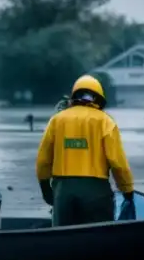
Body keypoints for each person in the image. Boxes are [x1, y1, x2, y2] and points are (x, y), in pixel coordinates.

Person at [35, 75, 134, 226]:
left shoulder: (57, 120)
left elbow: (43, 160)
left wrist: (45, 189)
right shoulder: (105, 121)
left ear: (74, 97)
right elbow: (118, 162)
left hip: (63, 190)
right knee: (99, 237)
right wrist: (127, 190)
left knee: (63, 237)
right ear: (99, 99)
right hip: (96, 191)